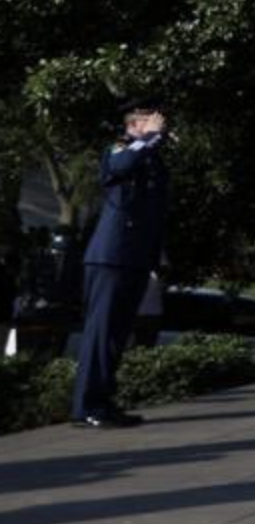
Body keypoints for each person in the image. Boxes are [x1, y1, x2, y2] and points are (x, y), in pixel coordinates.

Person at [71, 100, 172, 429]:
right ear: (132, 126)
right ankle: (86, 406)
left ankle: (102, 401)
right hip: (111, 257)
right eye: (147, 121)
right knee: (101, 333)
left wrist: (156, 256)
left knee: (117, 335)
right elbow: (121, 166)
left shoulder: (151, 157)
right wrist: (149, 138)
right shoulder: (120, 148)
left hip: (135, 258)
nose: (157, 125)